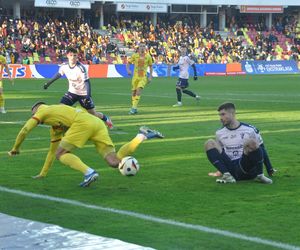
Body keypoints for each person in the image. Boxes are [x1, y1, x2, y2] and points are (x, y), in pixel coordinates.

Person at [8, 102, 164, 187]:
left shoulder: (43, 112)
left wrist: (15, 148)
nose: (33, 115)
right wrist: (43, 173)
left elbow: (24, 130)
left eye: (33, 113)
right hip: (96, 123)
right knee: (114, 162)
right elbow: (51, 151)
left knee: (61, 154)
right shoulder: (55, 122)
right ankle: (141, 136)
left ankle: (89, 172)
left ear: (36, 110)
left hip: (82, 123)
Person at [204, 102, 275, 184]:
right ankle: (227, 176)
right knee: (209, 143)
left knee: (252, 142)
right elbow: (220, 154)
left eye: (223, 114)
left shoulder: (250, 129)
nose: (220, 118)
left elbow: (261, 148)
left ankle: (260, 176)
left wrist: (269, 168)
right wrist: (221, 169)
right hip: (230, 167)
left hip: (245, 166)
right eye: (219, 115)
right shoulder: (219, 133)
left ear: (232, 113)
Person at [43, 47, 113, 129]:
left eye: (75, 55)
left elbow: (87, 82)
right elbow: (58, 75)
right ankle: (65, 125)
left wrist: (88, 96)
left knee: (93, 114)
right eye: (71, 55)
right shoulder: (64, 66)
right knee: (61, 107)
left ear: (77, 57)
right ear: (67, 56)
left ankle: (106, 119)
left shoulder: (81, 68)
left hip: (83, 94)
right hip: (72, 92)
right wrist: (48, 83)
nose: (73, 57)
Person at [126, 42, 153, 115]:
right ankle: (134, 107)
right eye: (141, 46)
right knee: (134, 93)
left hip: (143, 77)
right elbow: (128, 63)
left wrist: (150, 76)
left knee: (138, 91)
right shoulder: (135, 55)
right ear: (139, 47)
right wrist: (128, 70)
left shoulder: (148, 56)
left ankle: (134, 108)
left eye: (143, 46)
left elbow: (151, 66)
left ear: (145, 48)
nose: (142, 47)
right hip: (135, 77)